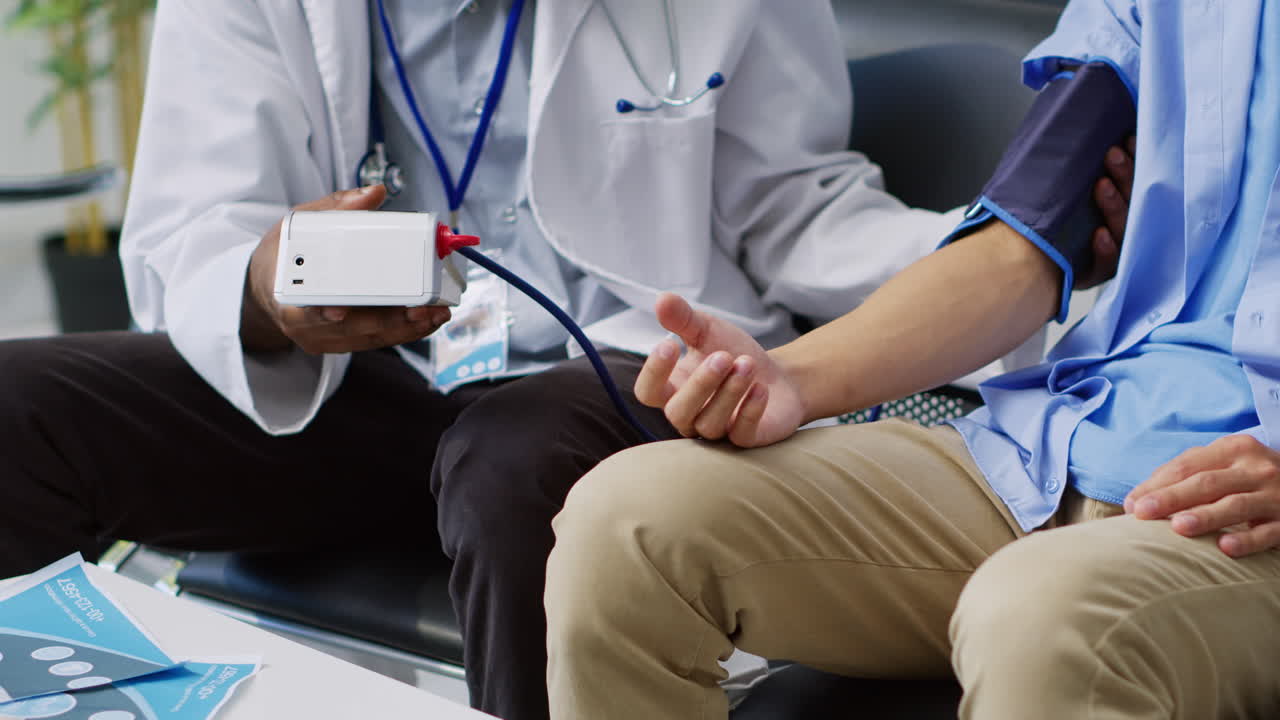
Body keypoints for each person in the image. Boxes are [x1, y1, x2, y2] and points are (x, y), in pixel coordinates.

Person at [0, 2, 1128, 719]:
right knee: (19, 409)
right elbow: (185, 241)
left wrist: (1005, 248)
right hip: (348, 393)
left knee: (512, 459)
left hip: (607, 374)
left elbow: (793, 206)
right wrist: (268, 292)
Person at [544, 1, 1280, 718]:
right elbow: (1016, 250)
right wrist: (790, 378)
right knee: (628, 524)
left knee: (1043, 617)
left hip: (1252, 516)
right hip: (1069, 439)